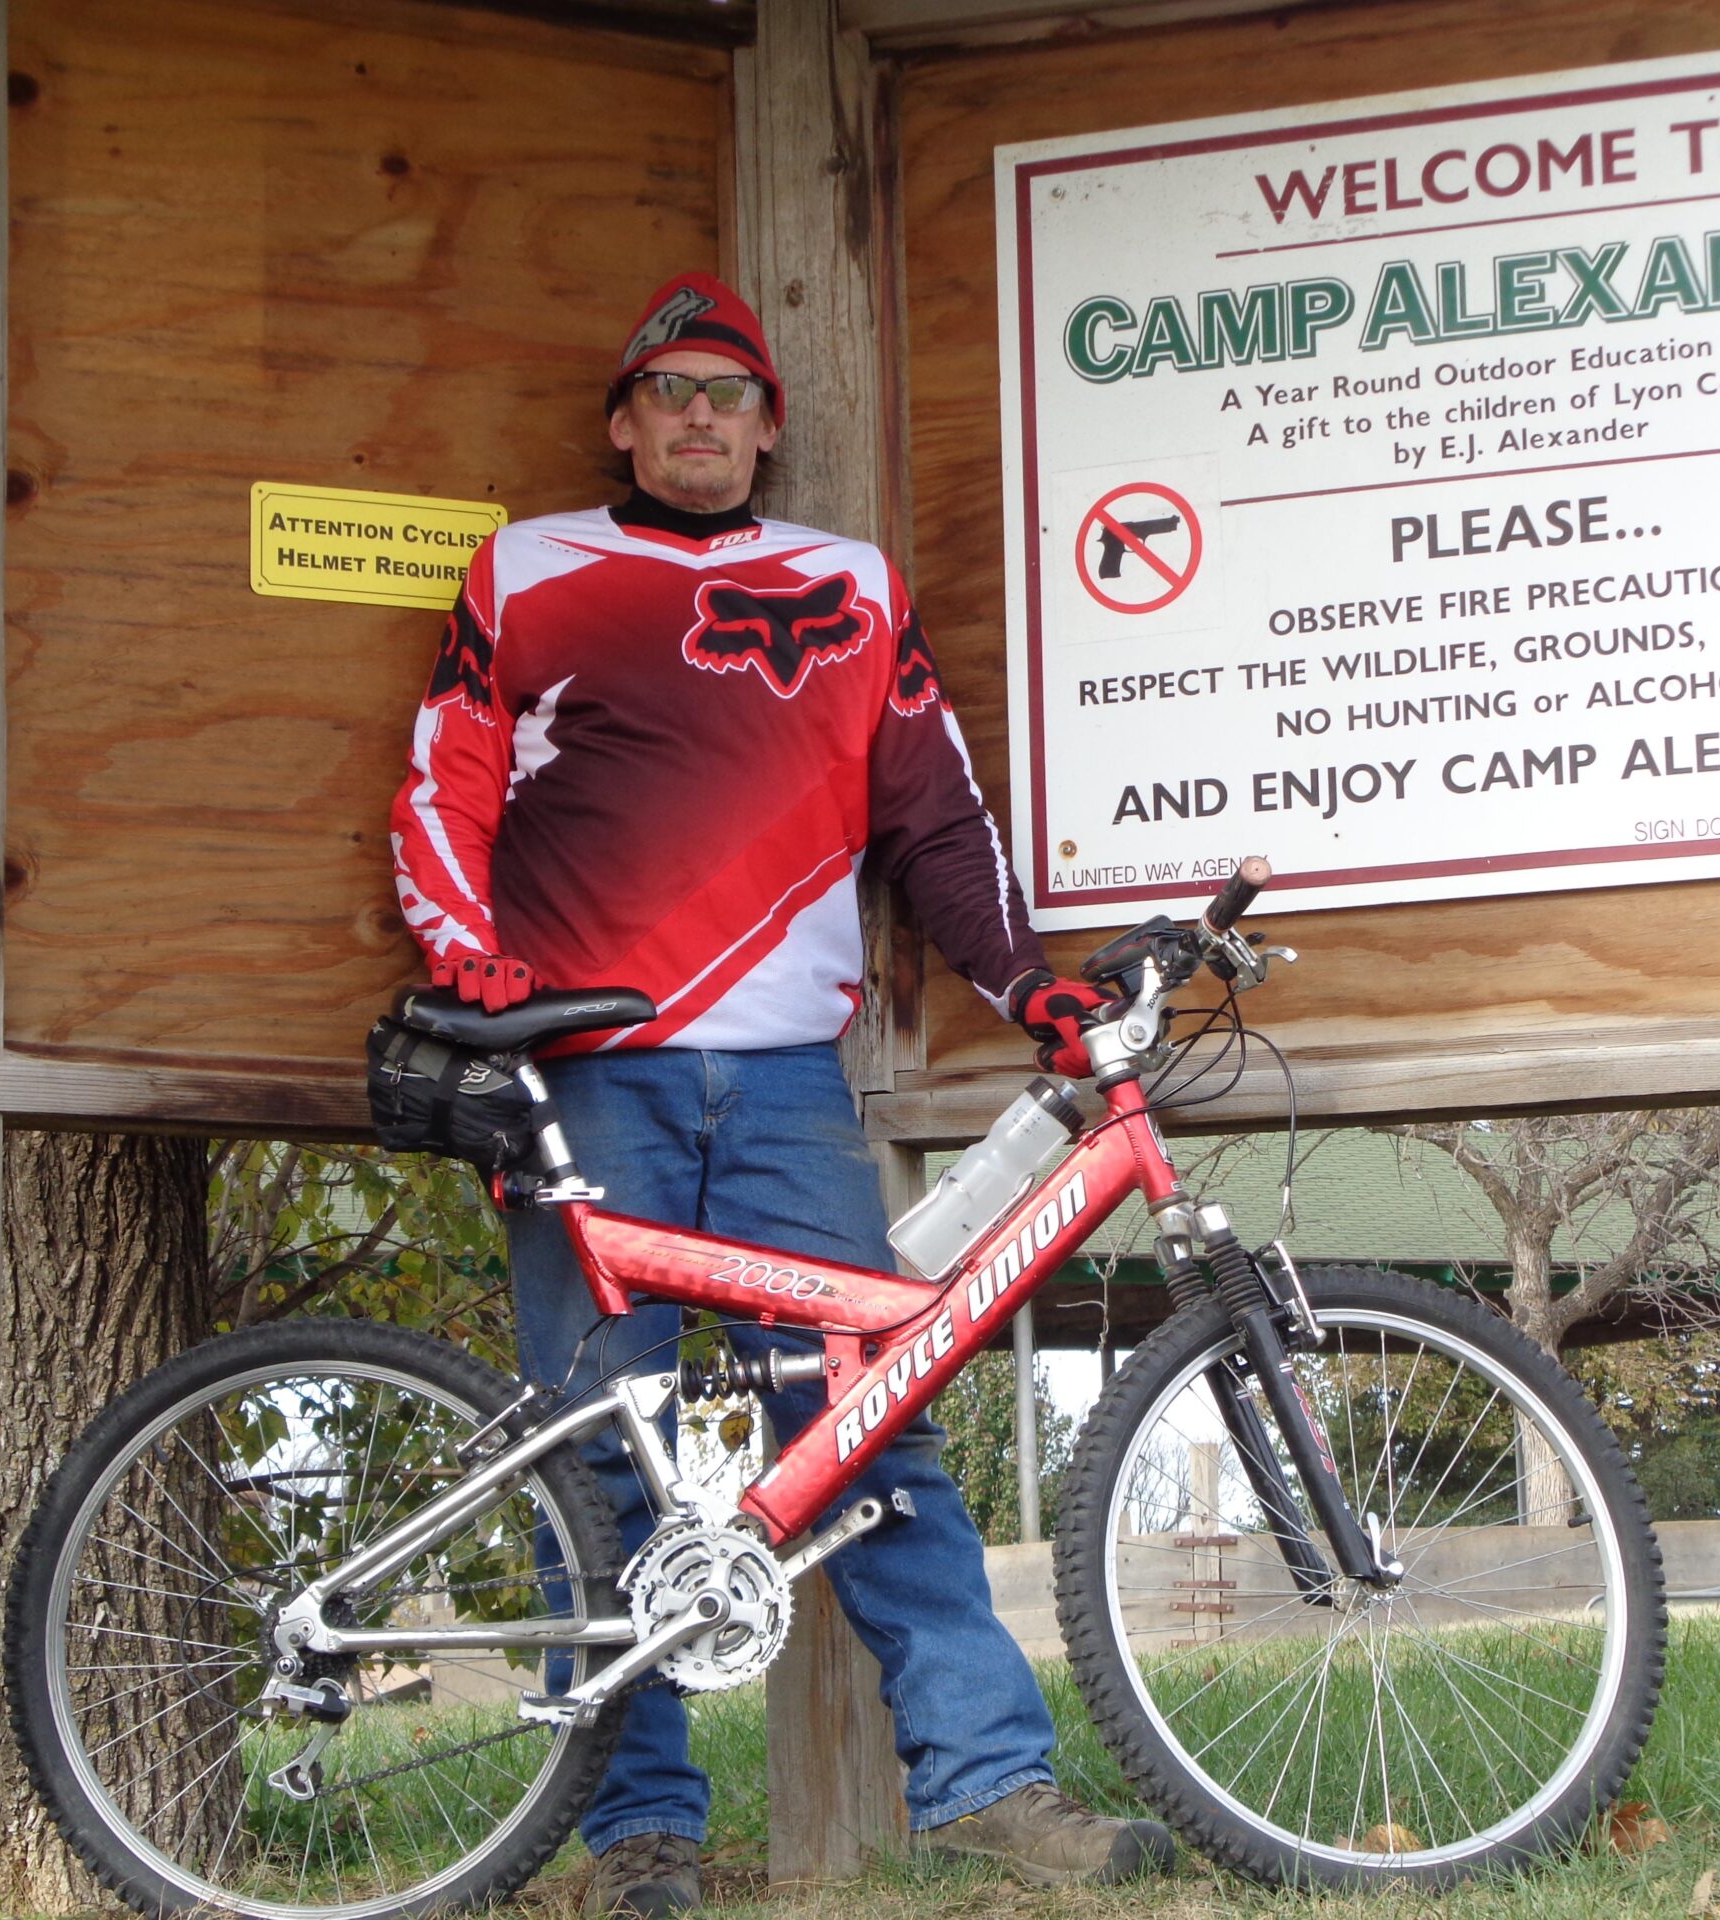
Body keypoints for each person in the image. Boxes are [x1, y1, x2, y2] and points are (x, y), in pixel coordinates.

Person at [388, 271, 1160, 1917]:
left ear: (767, 425)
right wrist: (474, 979)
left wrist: (1029, 982)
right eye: (668, 393)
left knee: (869, 1421)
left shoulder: (852, 586)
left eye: (728, 396)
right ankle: (637, 1836)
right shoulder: (526, 568)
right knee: (601, 1451)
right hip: (589, 1072)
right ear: (623, 419)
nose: (699, 420)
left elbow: (936, 822)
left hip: (792, 1085)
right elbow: (443, 779)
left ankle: (990, 1790)